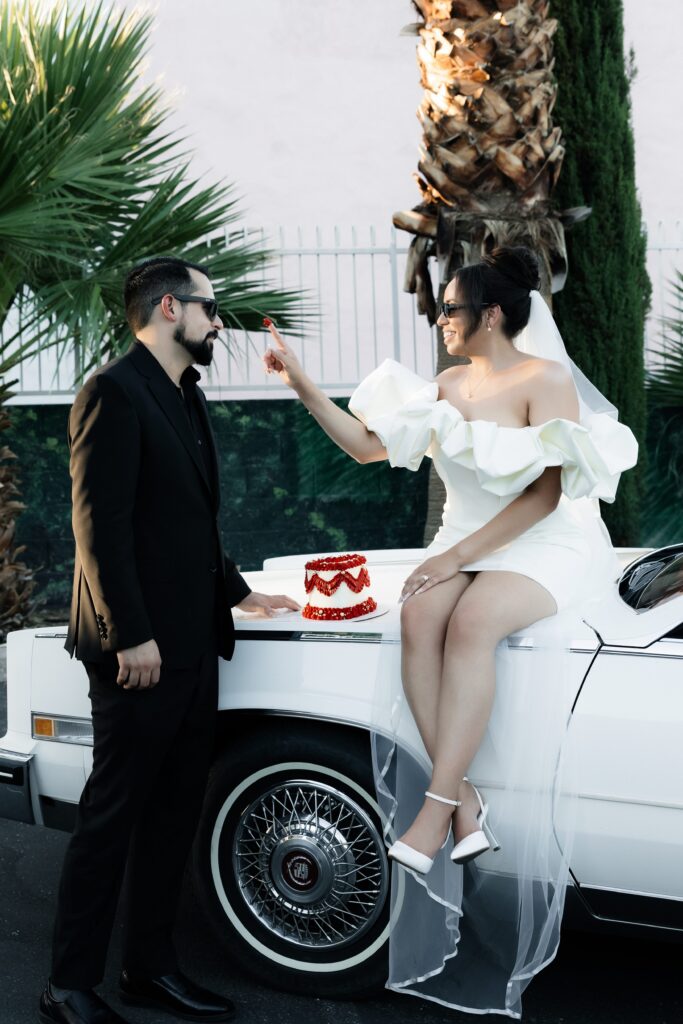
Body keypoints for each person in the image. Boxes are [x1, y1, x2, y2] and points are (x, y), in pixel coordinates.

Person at [262, 246, 638, 1016]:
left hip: (545, 543)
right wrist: (300, 382)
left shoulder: (545, 381)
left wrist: (456, 559)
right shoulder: (445, 385)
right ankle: (466, 797)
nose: (439, 320)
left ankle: (436, 808)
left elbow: (542, 498)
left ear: (490, 315)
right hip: (465, 540)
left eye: (449, 310)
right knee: (417, 611)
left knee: (468, 622)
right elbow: (368, 447)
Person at [40, 257, 299, 1024]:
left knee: (173, 817)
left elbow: (186, 522)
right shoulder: (112, 392)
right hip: (139, 654)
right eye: (209, 309)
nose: (217, 321)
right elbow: (100, 528)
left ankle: (149, 971)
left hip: (193, 645)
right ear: (166, 308)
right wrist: (131, 636)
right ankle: (67, 985)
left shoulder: (184, 393)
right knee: (111, 818)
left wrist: (242, 592)